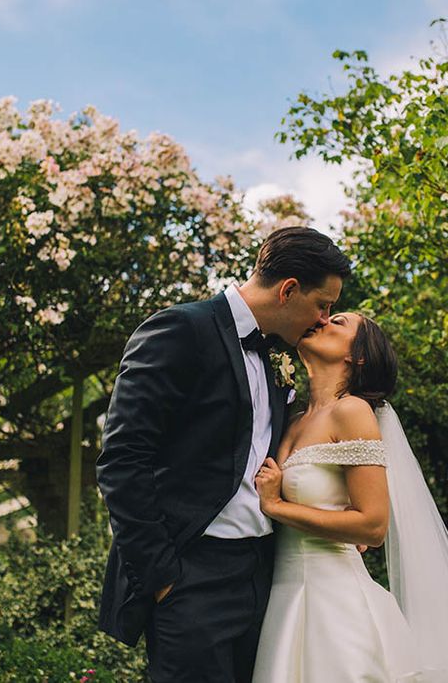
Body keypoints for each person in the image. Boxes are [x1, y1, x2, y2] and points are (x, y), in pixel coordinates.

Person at [95, 226, 351, 682]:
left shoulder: (279, 356)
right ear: (289, 290)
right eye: (322, 305)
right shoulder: (180, 329)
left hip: (263, 573)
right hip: (192, 577)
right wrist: (163, 577)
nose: (323, 319)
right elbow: (122, 458)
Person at [253, 313, 448, 682]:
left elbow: (373, 526)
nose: (321, 321)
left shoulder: (352, 411)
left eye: (337, 322)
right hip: (282, 596)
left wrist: (278, 506)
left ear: (357, 357)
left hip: (336, 606)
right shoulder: (289, 419)